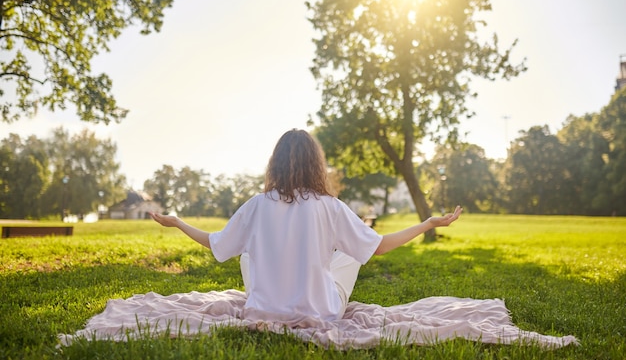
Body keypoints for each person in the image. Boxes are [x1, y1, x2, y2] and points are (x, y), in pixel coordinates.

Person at [149, 129, 462, 325]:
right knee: (353, 253)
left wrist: (178, 223)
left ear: (275, 164)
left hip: (264, 312)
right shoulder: (330, 206)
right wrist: (427, 224)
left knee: (246, 255)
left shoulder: (257, 204)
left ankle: (274, 298)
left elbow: (217, 243)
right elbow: (378, 247)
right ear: (317, 164)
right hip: (320, 313)